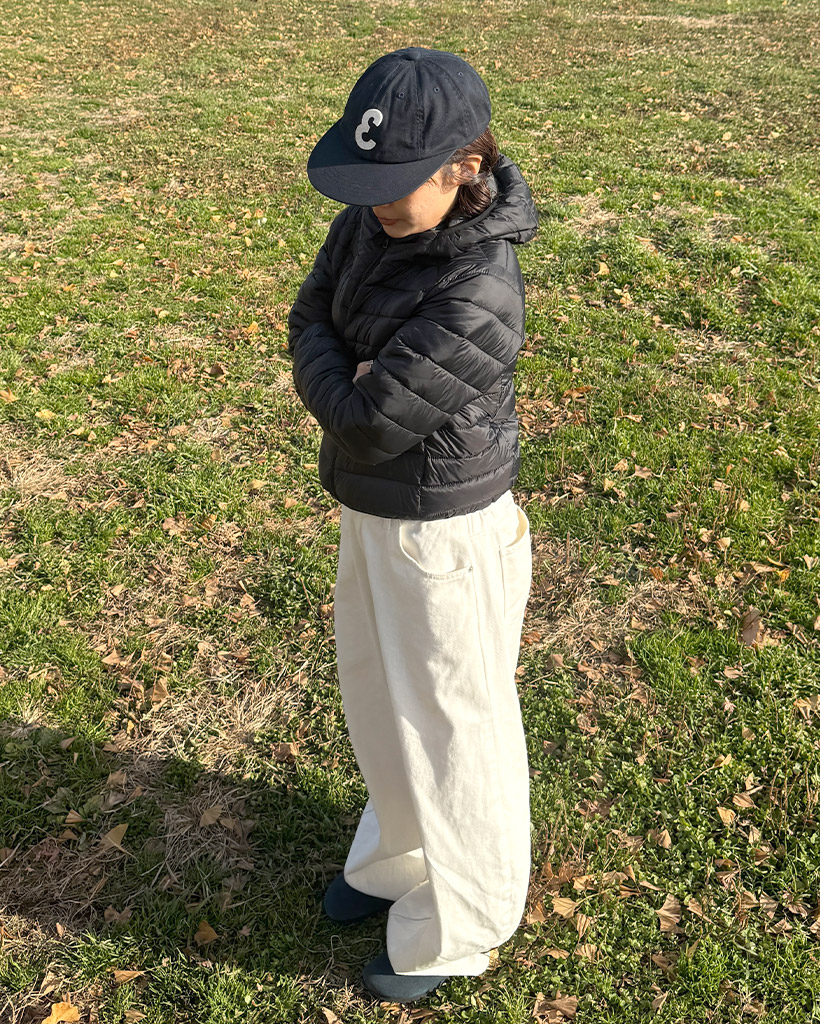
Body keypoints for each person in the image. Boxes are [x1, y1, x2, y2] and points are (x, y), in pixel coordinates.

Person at [287, 46, 538, 1003]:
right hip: (372, 507)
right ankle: (397, 859)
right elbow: (308, 316)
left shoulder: (480, 287)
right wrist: (341, 364)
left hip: (443, 532)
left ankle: (460, 927)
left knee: (452, 730)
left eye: (398, 184)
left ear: (464, 166)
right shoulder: (370, 219)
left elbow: (368, 417)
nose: (375, 204)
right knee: (378, 697)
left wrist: (345, 374)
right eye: (369, 180)